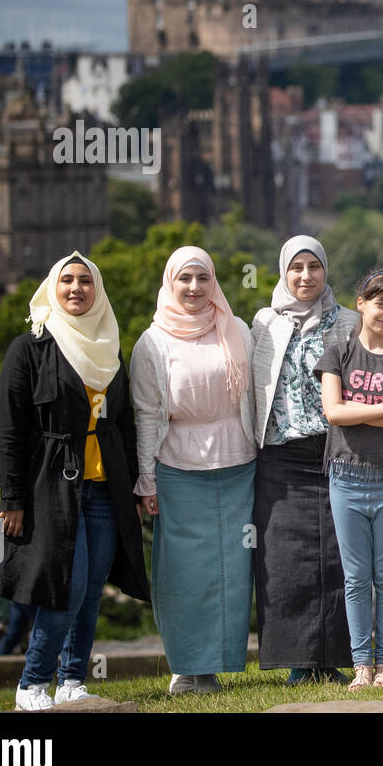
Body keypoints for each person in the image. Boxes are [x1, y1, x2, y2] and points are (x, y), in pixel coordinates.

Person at [0, 251, 150, 710]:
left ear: (97, 290)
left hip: (105, 486)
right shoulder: (30, 348)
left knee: (91, 591)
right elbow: (8, 430)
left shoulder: (109, 346)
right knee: (68, 585)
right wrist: (12, 498)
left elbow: (123, 423)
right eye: (67, 281)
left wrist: (139, 484)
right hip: (51, 486)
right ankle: (32, 684)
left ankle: (72, 682)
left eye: (85, 281)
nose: (77, 288)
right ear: (53, 288)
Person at [130, 247, 255, 694]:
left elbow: (257, 396)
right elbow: (146, 415)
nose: (194, 288)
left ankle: (216, 666)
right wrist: (147, 479)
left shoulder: (236, 329)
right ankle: (185, 666)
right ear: (170, 283)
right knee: (183, 571)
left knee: (231, 570)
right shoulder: (153, 342)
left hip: (239, 463)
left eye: (203, 278)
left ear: (214, 282)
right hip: (177, 468)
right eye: (184, 279)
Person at [251, 235, 361, 684]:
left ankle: (333, 659)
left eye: (313, 267)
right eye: (296, 268)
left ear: (325, 271)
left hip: (336, 451)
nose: (305, 276)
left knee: (337, 558)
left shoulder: (350, 322)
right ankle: (298, 662)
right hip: (279, 457)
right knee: (284, 560)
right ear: (283, 271)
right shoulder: (262, 323)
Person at [315, 267, 383, 691]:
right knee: (356, 576)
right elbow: (333, 413)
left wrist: (355, 409)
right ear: (361, 303)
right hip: (345, 477)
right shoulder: (337, 353)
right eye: (380, 304)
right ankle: (361, 664)